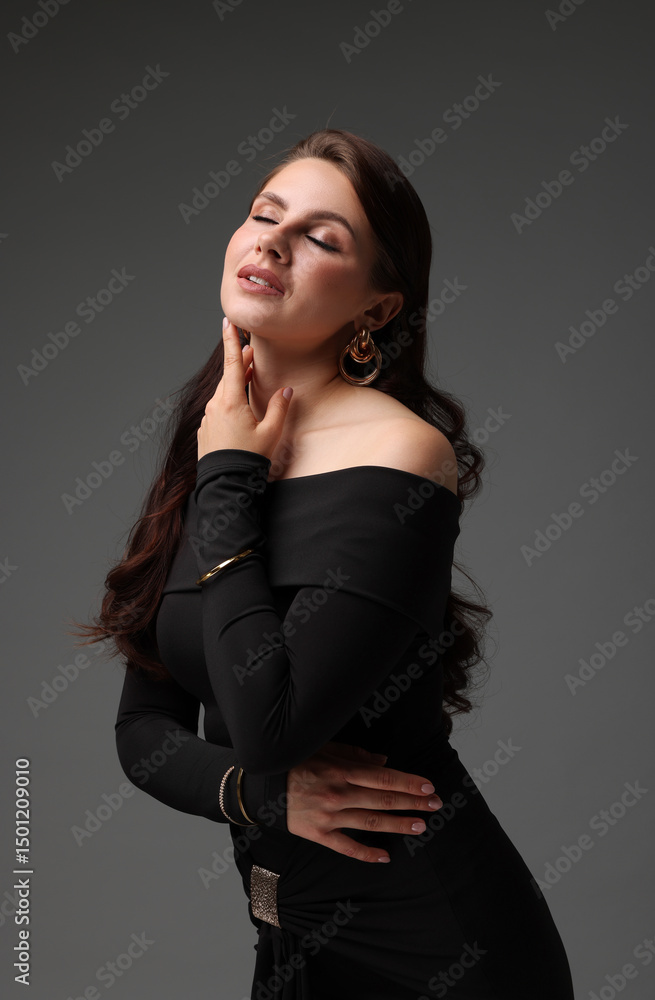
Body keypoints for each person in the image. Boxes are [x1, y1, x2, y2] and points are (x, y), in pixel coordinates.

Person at [71, 129, 575, 998]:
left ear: (376, 309)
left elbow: (271, 727)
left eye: (320, 237)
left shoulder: (399, 456)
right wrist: (260, 797)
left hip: (440, 950)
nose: (272, 242)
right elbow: (143, 732)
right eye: (264, 215)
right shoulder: (217, 433)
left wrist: (231, 479)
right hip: (290, 935)